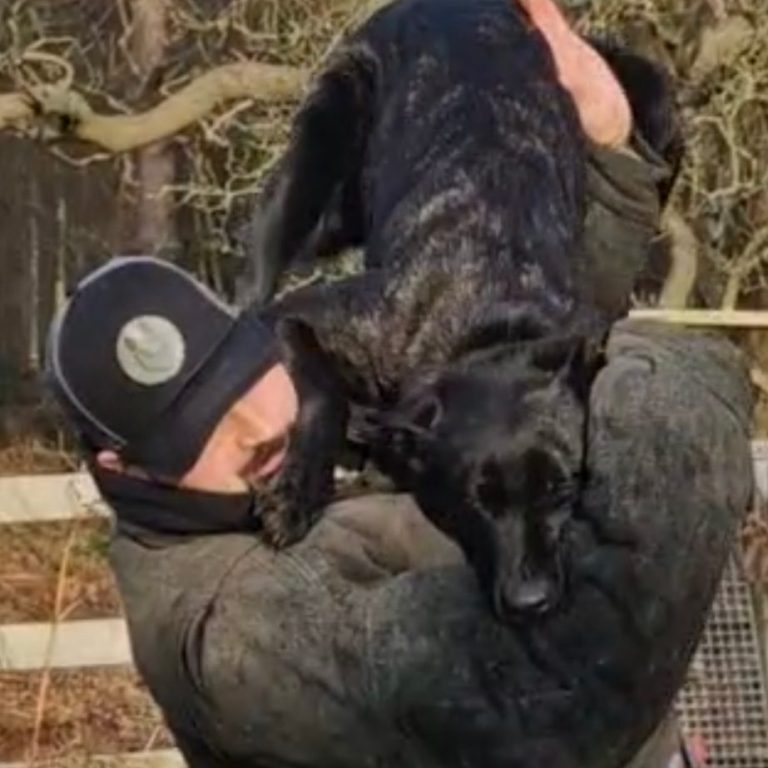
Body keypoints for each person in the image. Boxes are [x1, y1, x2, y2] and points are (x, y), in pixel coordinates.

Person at [45, 3, 739, 767]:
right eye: (197, 428)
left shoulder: (324, 421)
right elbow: (555, 708)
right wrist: (680, 386)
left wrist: (610, 163)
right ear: (122, 473)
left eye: (247, 377)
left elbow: (530, 376)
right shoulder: (230, 634)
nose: (255, 431)